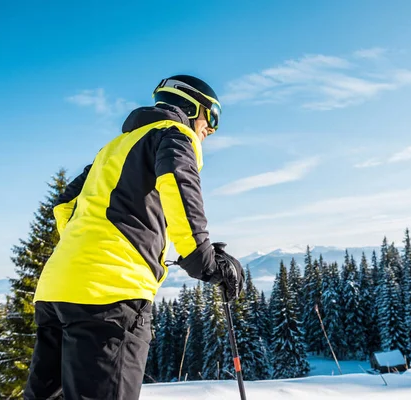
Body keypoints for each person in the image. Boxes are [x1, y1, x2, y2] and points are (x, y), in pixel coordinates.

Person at [24, 75, 245, 400]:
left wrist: (89, 248)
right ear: (193, 107)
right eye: (210, 120)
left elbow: (64, 204)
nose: (208, 131)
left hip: (57, 291)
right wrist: (205, 261)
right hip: (111, 297)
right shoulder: (174, 135)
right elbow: (176, 184)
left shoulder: (112, 149)